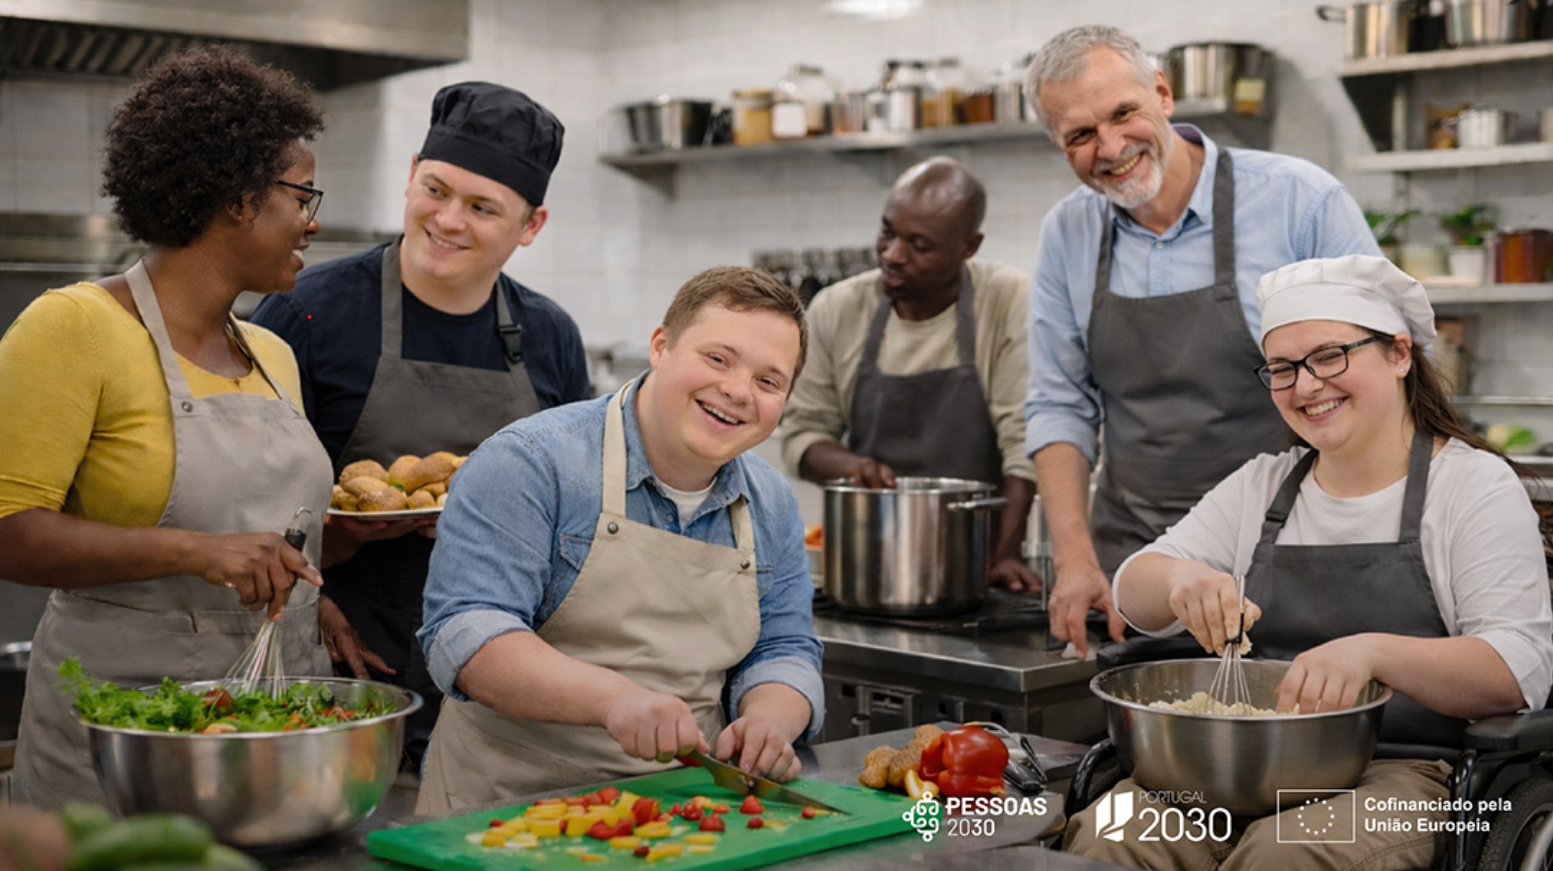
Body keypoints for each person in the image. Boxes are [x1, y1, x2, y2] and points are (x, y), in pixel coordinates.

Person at [1064, 255, 1553, 870]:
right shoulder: (1264, 485)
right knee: (1111, 831)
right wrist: (1182, 580)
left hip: (1415, 773)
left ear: (1400, 354)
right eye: (1283, 368)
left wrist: (1373, 654)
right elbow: (1135, 588)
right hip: (1250, 765)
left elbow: (1517, 669)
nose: (1305, 386)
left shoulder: (1471, 487)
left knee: (1284, 853)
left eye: (1329, 356)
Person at [0, 47, 333, 808]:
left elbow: (266, 525)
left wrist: (315, 592)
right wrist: (197, 552)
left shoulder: (274, 354)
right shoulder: (74, 326)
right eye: (301, 195)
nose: (311, 222)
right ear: (240, 199)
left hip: (269, 723)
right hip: (119, 739)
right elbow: (8, 530)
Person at [249, 81, 590, 768]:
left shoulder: (550, 335)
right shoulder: (306, 313)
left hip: (498, 680)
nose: (449, 220)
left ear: (531, 225)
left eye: (482, 207)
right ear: (410, 176)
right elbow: (242, 500)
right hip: (342, 675)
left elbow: (576, 513)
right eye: (435, 190)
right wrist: (311, 604)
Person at [1021, 25, 1383, 657]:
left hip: (1294, 558)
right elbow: (1059, 404)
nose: (1111, 147)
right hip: (1135, 572)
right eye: (1080, 135)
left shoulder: (1301, 202)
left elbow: (1384, 375)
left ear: (1162, 94)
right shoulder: (1066, 233)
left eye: (1123, 113)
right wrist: (1075, 561)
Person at [414, 266, 824, 813]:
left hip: (687, 810)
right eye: (717, 358)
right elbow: (469, 634)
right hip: (506, 807)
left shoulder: (770, 501)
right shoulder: (530, 462)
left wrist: (770, 721)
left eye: (768, 382)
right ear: (660, 346)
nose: (736, 391)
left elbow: (784, 647)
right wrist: (614, 700)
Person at [781, 157, 1039, 592]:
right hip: (864, 564)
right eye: (887, 233)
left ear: (969, 246)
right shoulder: (838, 308)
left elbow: (1025, 445)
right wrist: (853, 467)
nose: (892, 255)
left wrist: (1007, 555)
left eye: (919, 245)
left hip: (977, 561)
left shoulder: (1006, 299)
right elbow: (801, 436)